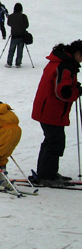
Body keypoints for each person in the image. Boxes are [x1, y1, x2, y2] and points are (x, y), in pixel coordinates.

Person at [30, 40, 82, 185]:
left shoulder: (59, 61)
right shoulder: (65, 65)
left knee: (51, 140)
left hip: (47, 108)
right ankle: (47, 175)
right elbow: (62, 92)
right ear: (77, 53)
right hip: (51, 110)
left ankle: (47, 172)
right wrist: (76, 91)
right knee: (55, 142)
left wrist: (74, 86)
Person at [6, 3, 29, 68]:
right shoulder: (23, 16)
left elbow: (9, 23)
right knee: (20, 50)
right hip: (22, 35)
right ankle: (18, 63)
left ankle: (9, 63)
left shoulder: (11, 16)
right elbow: (26, 25)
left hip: (14, 35)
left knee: (11, 50)